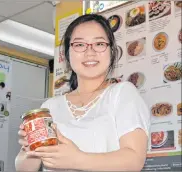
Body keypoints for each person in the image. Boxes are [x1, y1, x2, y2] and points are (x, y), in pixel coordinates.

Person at [15, 14, 150, 172]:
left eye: (99, 43)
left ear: (112, 51)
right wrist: (29, 148)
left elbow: (134, 160)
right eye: (79, 45)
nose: (90, 52)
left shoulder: (123, 93)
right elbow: (25, 169)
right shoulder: (49, 107)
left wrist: (76, 159)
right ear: (67, 53)